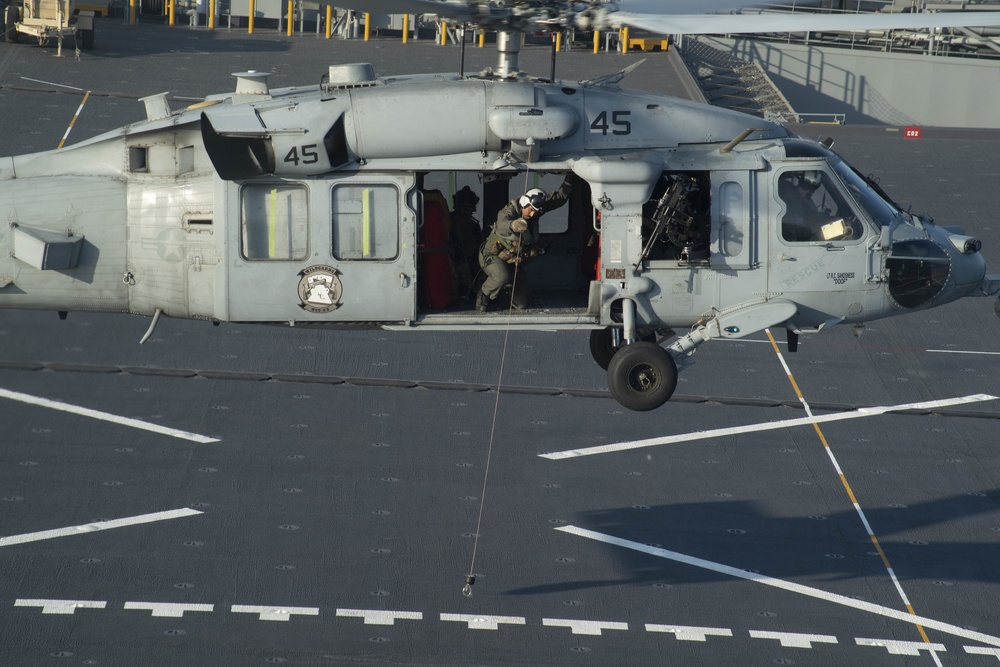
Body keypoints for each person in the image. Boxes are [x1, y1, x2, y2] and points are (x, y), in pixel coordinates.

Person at [476, 173, 577, 312]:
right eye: (530, 210)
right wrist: (513, 225)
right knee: (502, 276)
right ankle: (483, 295)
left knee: (521, 305)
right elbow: (502, 225)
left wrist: (569, 181)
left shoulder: (535, 210)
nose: (531, 215)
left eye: (535, 212)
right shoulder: (508, 212)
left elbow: (558, 198)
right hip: (492, 256)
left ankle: (503, 295)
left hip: (512, 262)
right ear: (524, 202)